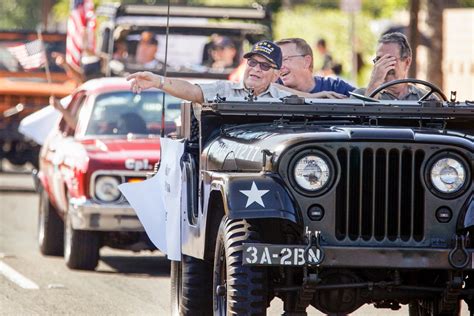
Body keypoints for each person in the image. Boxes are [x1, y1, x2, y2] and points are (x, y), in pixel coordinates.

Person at [127, 40, 343, 104]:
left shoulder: (285, 98)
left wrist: (317, 96)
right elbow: (193, 91)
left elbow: (302, 99)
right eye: (252, 63)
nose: (256, 69)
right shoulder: (225, 91)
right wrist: (158, 81)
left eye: (265, 66)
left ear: (276, 74)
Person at [352, 32, 431, 100]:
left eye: (390, 59)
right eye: (379, 60)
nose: (383, 65)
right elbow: (365, 116)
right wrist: (374, 83)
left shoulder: (426, 97)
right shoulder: (360, 96)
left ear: (407, 62)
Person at [276, 38, 355, 97]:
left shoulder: (334, 87)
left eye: (285, 59)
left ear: (306, 62)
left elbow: (363, 97)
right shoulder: (275, 86)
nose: (279, 66)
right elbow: (270, 87)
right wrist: (312, 97)